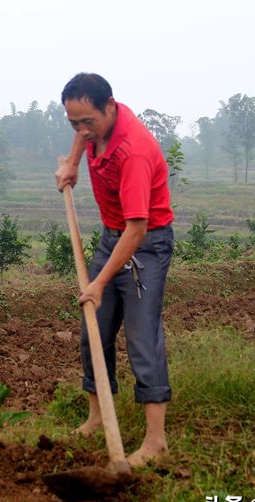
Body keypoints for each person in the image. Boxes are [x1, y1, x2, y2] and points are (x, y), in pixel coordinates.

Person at [55, 73, 174, 468]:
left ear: (110, 107)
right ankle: (96, 415)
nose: (81, 130)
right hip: (111, 237)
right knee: (95, 329)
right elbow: (83, 133)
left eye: (87, 122)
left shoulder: (133, 151)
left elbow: (137, 229)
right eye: (74, 123)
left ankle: (155, 441)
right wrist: (72, 163)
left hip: (145, 245)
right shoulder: (92, 128)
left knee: (143, 337)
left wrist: (101, 281)